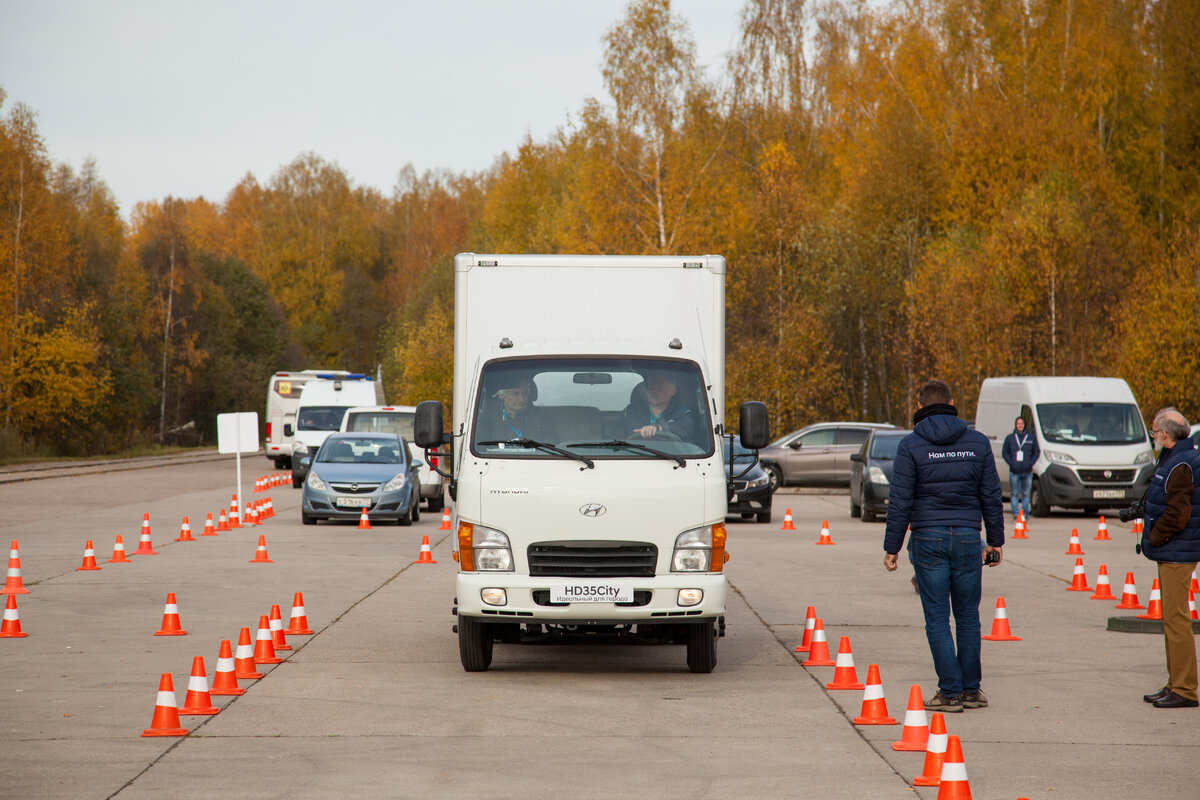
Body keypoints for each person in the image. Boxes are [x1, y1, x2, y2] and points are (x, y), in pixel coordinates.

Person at [883, 380, 1004, 713]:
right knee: (968, 618)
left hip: (928, 538)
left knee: (937, 619)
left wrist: (893, 547)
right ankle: (970, 690)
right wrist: (995, 542)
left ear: (920, 407)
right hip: (968, 537)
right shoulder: (977, 444)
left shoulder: (911, 445)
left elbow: (900, 500)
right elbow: (991, 496)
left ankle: (949, 692)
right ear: (952, 402)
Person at [1140, 407, 1200, 709]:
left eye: (1154, 432)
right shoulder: (1175, 458)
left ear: (1165, 434)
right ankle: (1175, 682)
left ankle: (1186, 688)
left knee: (1177, 621)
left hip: (1178, 551)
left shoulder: (1182, 464)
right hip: (1173, 549)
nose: (1153, 436)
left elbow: (1179, 512)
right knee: (1171, 620)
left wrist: (1155, 535)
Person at [619, 371, 696, 442]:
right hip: (634, 455)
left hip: (670, 455)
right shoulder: (631, 411)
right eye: (651, 386)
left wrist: (659, 428)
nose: (654, 390)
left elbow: (686, 430)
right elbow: (617, 435)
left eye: (660, 386)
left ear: (673, 391)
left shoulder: (682, 413)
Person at [476, 378, 557, 444]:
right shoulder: (488, 419)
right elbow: (482, 447)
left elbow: (552, 444)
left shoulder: (541, 417)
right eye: (515, 394)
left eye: (524, 393)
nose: (521, 399)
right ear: (502, 395)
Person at [1001, 417, 1039, 518]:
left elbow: (1037, 451)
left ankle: (1025, 514)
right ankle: (1015, 514)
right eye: (1018, 423)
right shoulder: (1010, 438)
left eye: (1021, 423)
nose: (1020, 425)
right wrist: (1011, 462)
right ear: (1015, 425)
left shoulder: (1031, 437)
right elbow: (1005, 452)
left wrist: (1030, 463)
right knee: (1014, 494)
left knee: (1026, 494)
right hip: (1014, 471)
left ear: (1024, 425)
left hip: (1027, 471)